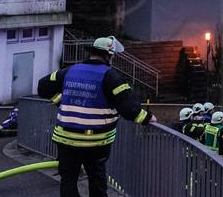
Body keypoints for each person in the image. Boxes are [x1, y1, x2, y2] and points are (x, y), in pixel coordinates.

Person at [37, 36, 155, 197]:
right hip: (96, 143)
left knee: (68, 180)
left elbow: (43, 87)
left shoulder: (70, 71)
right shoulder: (111, 77)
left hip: (65, 139)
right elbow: (128, 107)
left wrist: (61, 101)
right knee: (97, 181)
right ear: (110, 56)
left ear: (92, 53)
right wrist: (148, 118)